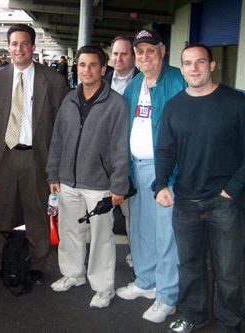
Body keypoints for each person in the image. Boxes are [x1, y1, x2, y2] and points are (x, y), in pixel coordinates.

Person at [155, 44, 245, 333]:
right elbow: (165, 149)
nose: (194, 68)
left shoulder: (235, 102)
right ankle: (193, 314)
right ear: (183, 68)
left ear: (212, 66)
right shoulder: (175, 105)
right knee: (189, 265)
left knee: (228, 271)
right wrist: (161, 183)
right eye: (188, 63)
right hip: (186, 201)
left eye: (201, 62)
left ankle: (229, 324)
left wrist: (235, 187)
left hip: (223, 202)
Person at [46, 45, 130, 308]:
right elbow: (57, 140)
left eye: (93, 65)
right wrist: (53, 174)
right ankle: (73, 274)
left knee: (102, 237)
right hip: (67, 181)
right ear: (77, 68)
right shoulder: (69, 100)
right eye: (82, 65)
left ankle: (104, 287)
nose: (87, 70)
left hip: (99, 184)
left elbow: (120, 147)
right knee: (69, 230)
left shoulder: (116, 103)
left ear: (103, 69)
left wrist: (118, 184)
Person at [115, 29, 186, 324]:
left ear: (162, 51)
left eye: (150, 51)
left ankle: (167, 295)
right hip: (138, 166)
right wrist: (128, 173)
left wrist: (170, 178)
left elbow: (185, 132)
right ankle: (145, 281)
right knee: (142, 229)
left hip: (164, 171)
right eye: (140, 51)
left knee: (166, 234)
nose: (145, 57)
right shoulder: (133, 87)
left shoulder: (176, 81)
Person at [0, 24, 67, 284]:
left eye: (24, 43)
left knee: (36, 214)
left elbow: (60, 125)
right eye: (14, 43)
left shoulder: (53, 79)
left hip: (37, 157)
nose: (18, 48)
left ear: (33, 47)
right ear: (8, 47)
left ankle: (37, 265)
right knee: (1, 211)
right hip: (6, 156)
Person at [104, 35, 140, 281]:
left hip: (131, 158)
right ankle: (102, 260)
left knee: (132, 213)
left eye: (124, 54)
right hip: (103, 158)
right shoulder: (102, 79)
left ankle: (138, 257)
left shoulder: (143, 81)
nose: (118, 58)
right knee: (102, 211)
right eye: (115, 54)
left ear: (133, 56)